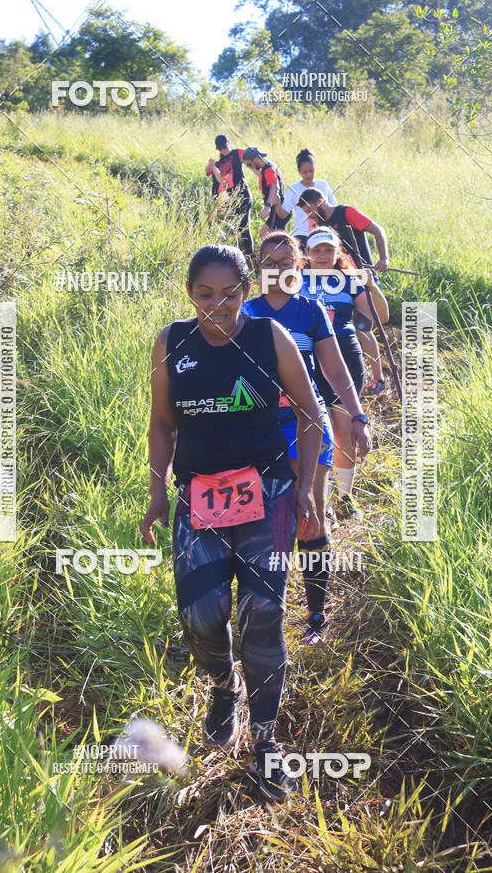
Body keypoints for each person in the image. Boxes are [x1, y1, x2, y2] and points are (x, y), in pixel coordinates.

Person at [140, 243, 324, 801]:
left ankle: (266, 744)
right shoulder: (173, 343)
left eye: (229, 294)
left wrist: (310, 489)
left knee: (263, 613)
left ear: (246, 291)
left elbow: (313, 414)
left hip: (268, 491)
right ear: (189, 293)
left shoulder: (271, 338)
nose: (217, 306)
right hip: (200, 495)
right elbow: (162, 425)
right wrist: (156, 492)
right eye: (204, 295)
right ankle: (223, 688)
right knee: (202, 614)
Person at [244, 231, 371, 644]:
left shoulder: (311, 311)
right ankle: (264, 612)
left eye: (285, 261)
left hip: (306, 424)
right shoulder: (244, 312)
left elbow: (335, 372)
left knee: (309, 513)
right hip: (257, 427)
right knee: (259, 520)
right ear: (258, 267)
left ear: (298, 265)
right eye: (269, 261)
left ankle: (316, 616)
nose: (277, 268)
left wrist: (357, 415)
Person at [300, 227, 388, 521]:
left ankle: (344, 496)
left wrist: (371, 285)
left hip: (346, 358)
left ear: (338, 252)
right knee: (312, 428)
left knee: (343, 430)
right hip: (307, 358)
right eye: (317, 250)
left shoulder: (350, 282)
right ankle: (317, 499)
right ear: (307, 254)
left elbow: (381, 317)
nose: (323, 255)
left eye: (328, 250)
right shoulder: (294, 280)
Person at [298, 187, 390, 396]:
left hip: (359, 278)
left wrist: (383, 258)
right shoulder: (319, 227)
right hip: (334, 279)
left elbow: (377, 229)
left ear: (320, 201)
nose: (309, 215)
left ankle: (378, 377)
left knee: (363, 327)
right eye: (306, 213)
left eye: (309, 210)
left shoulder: (346, 213)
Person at [273, 148, 336, 250]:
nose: (308, 175)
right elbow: (283, 214)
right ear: (299, 172)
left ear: (315, 168)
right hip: (301, 234)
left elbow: (333, 208)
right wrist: (277, 204)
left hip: (323, 232)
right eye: (305, 172)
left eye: (311, 171)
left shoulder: (323, 185)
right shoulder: (294, 189)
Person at [206, 136, 254, 261]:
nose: (223, 150)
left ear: (229, 143)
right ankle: (236, 259)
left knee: (244, 228)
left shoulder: (237, 153)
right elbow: (212, 174)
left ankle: (252, 259)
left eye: (225, 147)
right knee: (230, 231)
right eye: (220, 148)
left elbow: (252, 158)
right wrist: (210, 165)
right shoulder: (218, 163)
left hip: (242, 195)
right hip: (227, 200)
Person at [241, 147, 290, 239]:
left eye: (249, 164)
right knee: (270, 235)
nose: (249, 167)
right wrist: (249, 165)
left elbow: (274, 187)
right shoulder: (267, 167)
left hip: (276, 208)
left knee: (269, 236)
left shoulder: (268, 169)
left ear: (255, 159)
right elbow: (260, 173)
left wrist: (267, 206)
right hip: (277, 207)